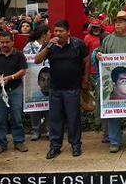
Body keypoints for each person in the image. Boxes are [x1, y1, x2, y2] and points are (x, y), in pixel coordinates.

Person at [92, 11, 126, 153]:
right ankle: (114, 141)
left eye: (121, 21)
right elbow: (97, 53)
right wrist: (97, 55)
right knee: (113, 113)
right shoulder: (108, 40)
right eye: (116, 21)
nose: (117, 24)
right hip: (115, 86)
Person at [35, 19, 90, 159]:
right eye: (56, 31)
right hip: (55, 89)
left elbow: (87, 61)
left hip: (73, 88)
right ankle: (55, 146)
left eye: (61, 31)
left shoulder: (78, 44)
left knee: (73, 118)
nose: (58, 33)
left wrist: (85, 80)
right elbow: (37, 60)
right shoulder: (50, 45)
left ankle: (76, 145)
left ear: (68, 32)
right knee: (55, 119)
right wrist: (47, 47)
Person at [0, 31, 28, 156]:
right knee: (0, 118)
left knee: (17, 116)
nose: (4, 45)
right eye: (2, 42)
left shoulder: (19, 54)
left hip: (15, 89)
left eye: (7, 42)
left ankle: (19, 141)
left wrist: (11, 77)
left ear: (12, 41)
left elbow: (23, 70)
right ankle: (1, 144)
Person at [23, 24, 50, 141]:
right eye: (49, 32)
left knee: (49, 106)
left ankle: (50, 129)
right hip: (34, 78)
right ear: (44, 34)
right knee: (35, 107)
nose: (51, 34)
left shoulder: (50, 45)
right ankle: (35, 130)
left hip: (49, 77)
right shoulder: (29, 47)